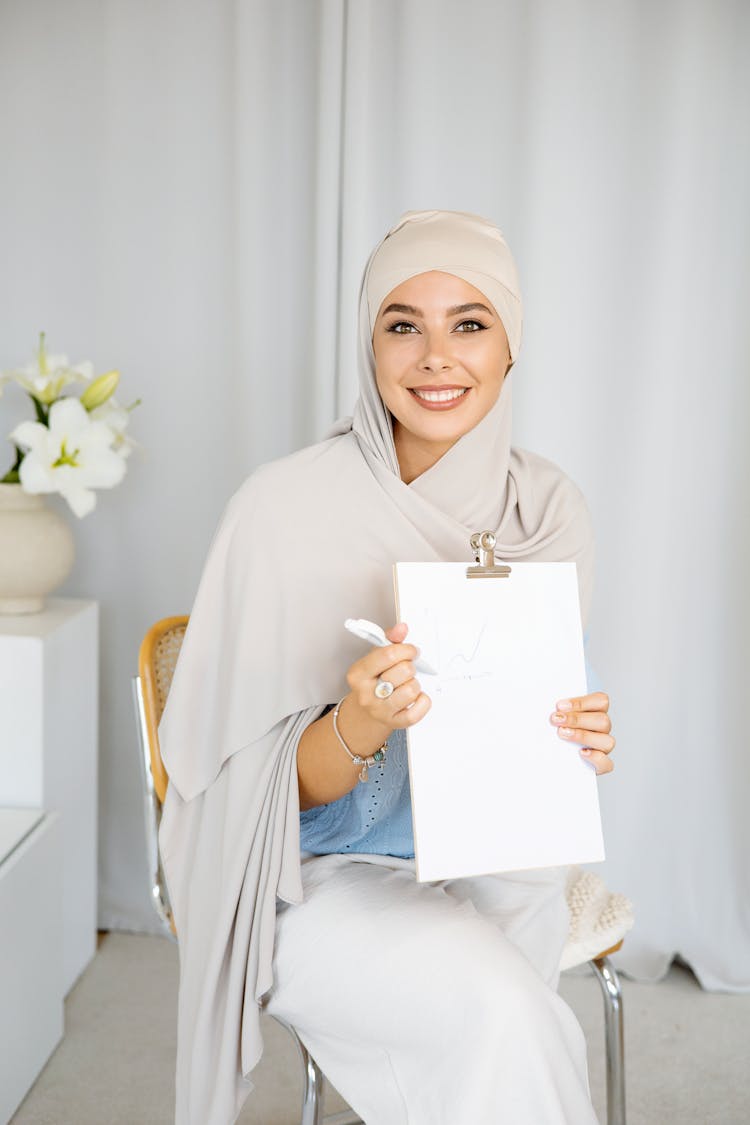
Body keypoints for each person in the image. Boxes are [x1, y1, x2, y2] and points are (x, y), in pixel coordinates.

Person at [158, 210, 616, 1125]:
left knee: (504, 1031)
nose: (435, 357)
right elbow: (251, 797)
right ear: (370, 345)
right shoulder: (280, 509)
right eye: (403, 324)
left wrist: (573, 739)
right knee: (508, 1019)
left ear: (511, 346)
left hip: (500, 864)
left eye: (470, 324)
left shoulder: (546, 508)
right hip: (319, 876)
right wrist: (357, 724)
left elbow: (518, 747)